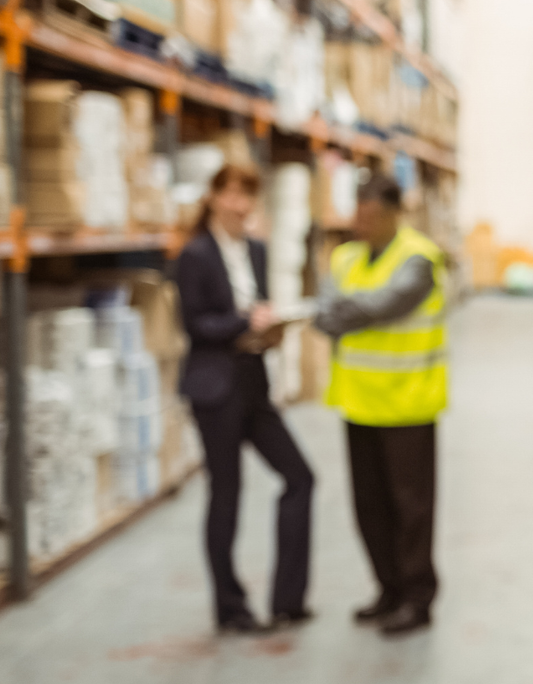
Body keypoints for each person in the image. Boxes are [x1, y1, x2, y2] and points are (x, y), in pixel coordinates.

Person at [175, 164, 315, 634]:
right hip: (215, 389)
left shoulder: (256, 249)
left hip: (253, 384)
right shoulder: (194, 254)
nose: (241, 205)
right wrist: (243, 325)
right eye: (232, 195)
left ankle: (287, 601)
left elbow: (257, 310)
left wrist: (270, 331)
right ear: (213, 197)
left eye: (248, 196)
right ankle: (230, 608)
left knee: (300, 477)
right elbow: (195, 326)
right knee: (226, 495)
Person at [315, 172, 448, 635]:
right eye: (358, 213)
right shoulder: (345, 256)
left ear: (395, 215)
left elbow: (385, 305)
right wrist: (345, 310)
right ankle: (388, 589)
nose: (361, 224)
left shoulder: (420, 259)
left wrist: (345, 310)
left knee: (411, 509)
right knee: (369, 507)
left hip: (409, 405)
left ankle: (417, 597)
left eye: (371, 216)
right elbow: (324, 310)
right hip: (359, 403)